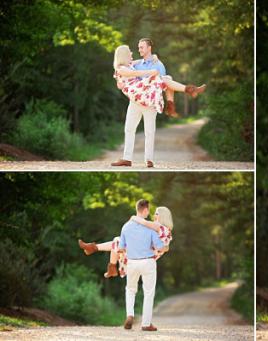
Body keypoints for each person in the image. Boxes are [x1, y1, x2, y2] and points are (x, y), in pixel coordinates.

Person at [110, 38, 206, 168]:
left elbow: (149, 74)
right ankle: (127, 158)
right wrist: (151, 72)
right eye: (130, 53)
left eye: (141, 47)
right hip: (136, 99)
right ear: (124, 56)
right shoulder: (124, 68)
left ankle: (149, 159)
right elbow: (134, 73)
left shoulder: (150, 64)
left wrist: (154, 60)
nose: (135, 53)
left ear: (149, 48)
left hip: (148, 98)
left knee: (150, 130)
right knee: (129, 129)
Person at [78, 206, 174, 279]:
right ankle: (99, 255)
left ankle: (103, 258)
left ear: (162, 216)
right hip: (143, 252)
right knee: (117, 242)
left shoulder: (161, 227)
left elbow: (144, 223)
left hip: (143, 254)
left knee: (117, 241)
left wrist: (134, 218)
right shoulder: (164, 230)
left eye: (157, 214)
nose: (154, 215)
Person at [120, 199, 164, 331]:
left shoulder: (126, 226)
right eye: (148, 210)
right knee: (148, 292)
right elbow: (160, 247)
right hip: (148, 262)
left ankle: (130, 315)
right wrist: (165, 245)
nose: (148, 213)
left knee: (130, 290)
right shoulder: (150, 228)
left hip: (132, 262)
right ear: (144, 210)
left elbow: (121, 247)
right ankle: (146, 324)